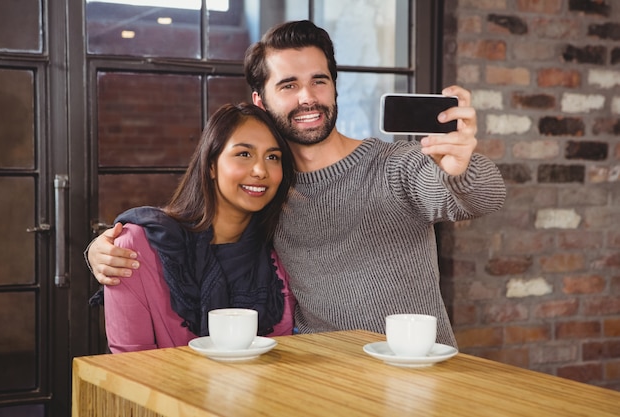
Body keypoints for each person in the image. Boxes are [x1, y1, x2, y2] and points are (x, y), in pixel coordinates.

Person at [87, 21, 506, 348]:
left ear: (334, 86)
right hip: (317, 384)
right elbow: (196, 231)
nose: (308, 97)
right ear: (260, 100)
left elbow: (482, 197)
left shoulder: (394, 165)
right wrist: (106, 247)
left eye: (319, 81)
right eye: (288, 85)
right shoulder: (266, 192)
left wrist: (460, 167)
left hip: (418, 377)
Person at [99, 103, 296, 353]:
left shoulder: (278, 255)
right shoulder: (135, 247)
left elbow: (282, 355)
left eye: (273, 157)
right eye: (244, 154)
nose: (260, 171)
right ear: (211, 165)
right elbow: (128, 363)